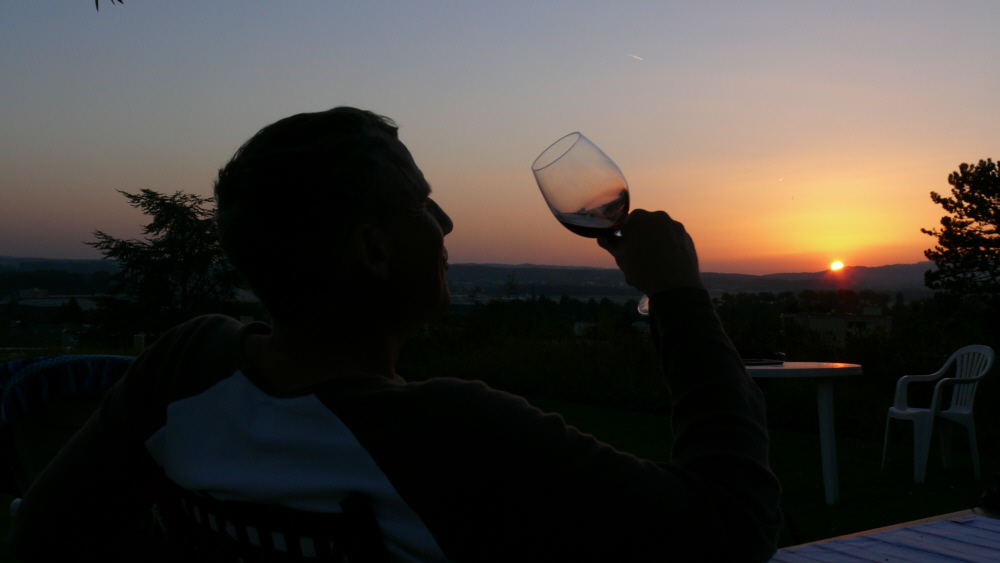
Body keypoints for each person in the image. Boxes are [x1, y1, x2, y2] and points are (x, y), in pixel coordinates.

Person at [9, 107, 782, 561]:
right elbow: (733, 526)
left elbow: (43, 532)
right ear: (373, 250)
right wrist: (679, 295)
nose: (446, 226)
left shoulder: (184, 368)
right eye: (424, 204)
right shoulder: (452, 436)